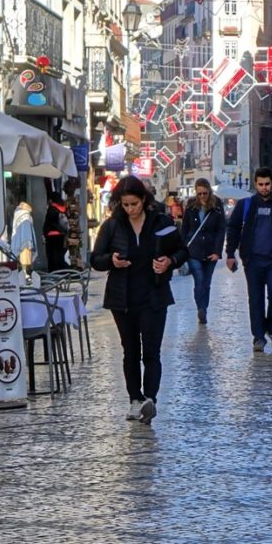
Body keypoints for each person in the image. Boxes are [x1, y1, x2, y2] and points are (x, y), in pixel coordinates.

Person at [90, 176, 187, 423]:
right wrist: (111, 260)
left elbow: (182, 250)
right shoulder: (112, 226)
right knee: (130, 350)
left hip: (154, 295)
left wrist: (169, 262)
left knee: (151, 351)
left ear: (144, 200)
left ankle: (150, 400)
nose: (130, 209)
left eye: (134, 204)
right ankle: (135, 399)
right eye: (125, 205)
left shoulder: (161, 222)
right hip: (122, 298)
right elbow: (96, 259)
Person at [224, 167, 272, 352]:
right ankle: (258, 336)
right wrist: (230, 254)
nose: (264, 188)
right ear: (255, 184)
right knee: (256, 300)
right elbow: (233, 229)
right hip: (253, 261)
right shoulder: (246, 205)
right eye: (261, 184)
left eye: (267, 184)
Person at [180, 178, 227, 325]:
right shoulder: (191, 205)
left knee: (206, 283)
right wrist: (182, 248)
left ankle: (203, 309)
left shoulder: (217, 204)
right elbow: (185, 228)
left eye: (204, 193)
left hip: (210, 250)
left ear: (209, 191)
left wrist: (217, 252)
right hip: (194, 250)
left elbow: (221, 229)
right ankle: (200, 308)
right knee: (199, 281)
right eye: (199, 193)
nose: (202, 196)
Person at [7, 201, 38, 275]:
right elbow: (27, 230)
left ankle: (23, 274)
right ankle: (26, 275)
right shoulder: (26, 215)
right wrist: (28, 241)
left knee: (20, 262)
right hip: (26, 243)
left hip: (19, 241)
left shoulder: (17, 213)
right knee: (26, 262)